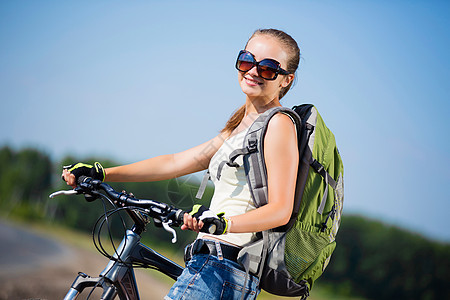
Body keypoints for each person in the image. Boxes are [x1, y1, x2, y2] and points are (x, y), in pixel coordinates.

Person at [62, 28, 300, 300]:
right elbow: (175, 163)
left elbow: (281, 210)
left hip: (225, 268)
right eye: (247, 60)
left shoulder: (280, 124)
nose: (254, 71)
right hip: (210, 264)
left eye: (268, 68)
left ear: (285, 80)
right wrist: (102, 172)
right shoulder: (240, 125)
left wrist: (222, 224)